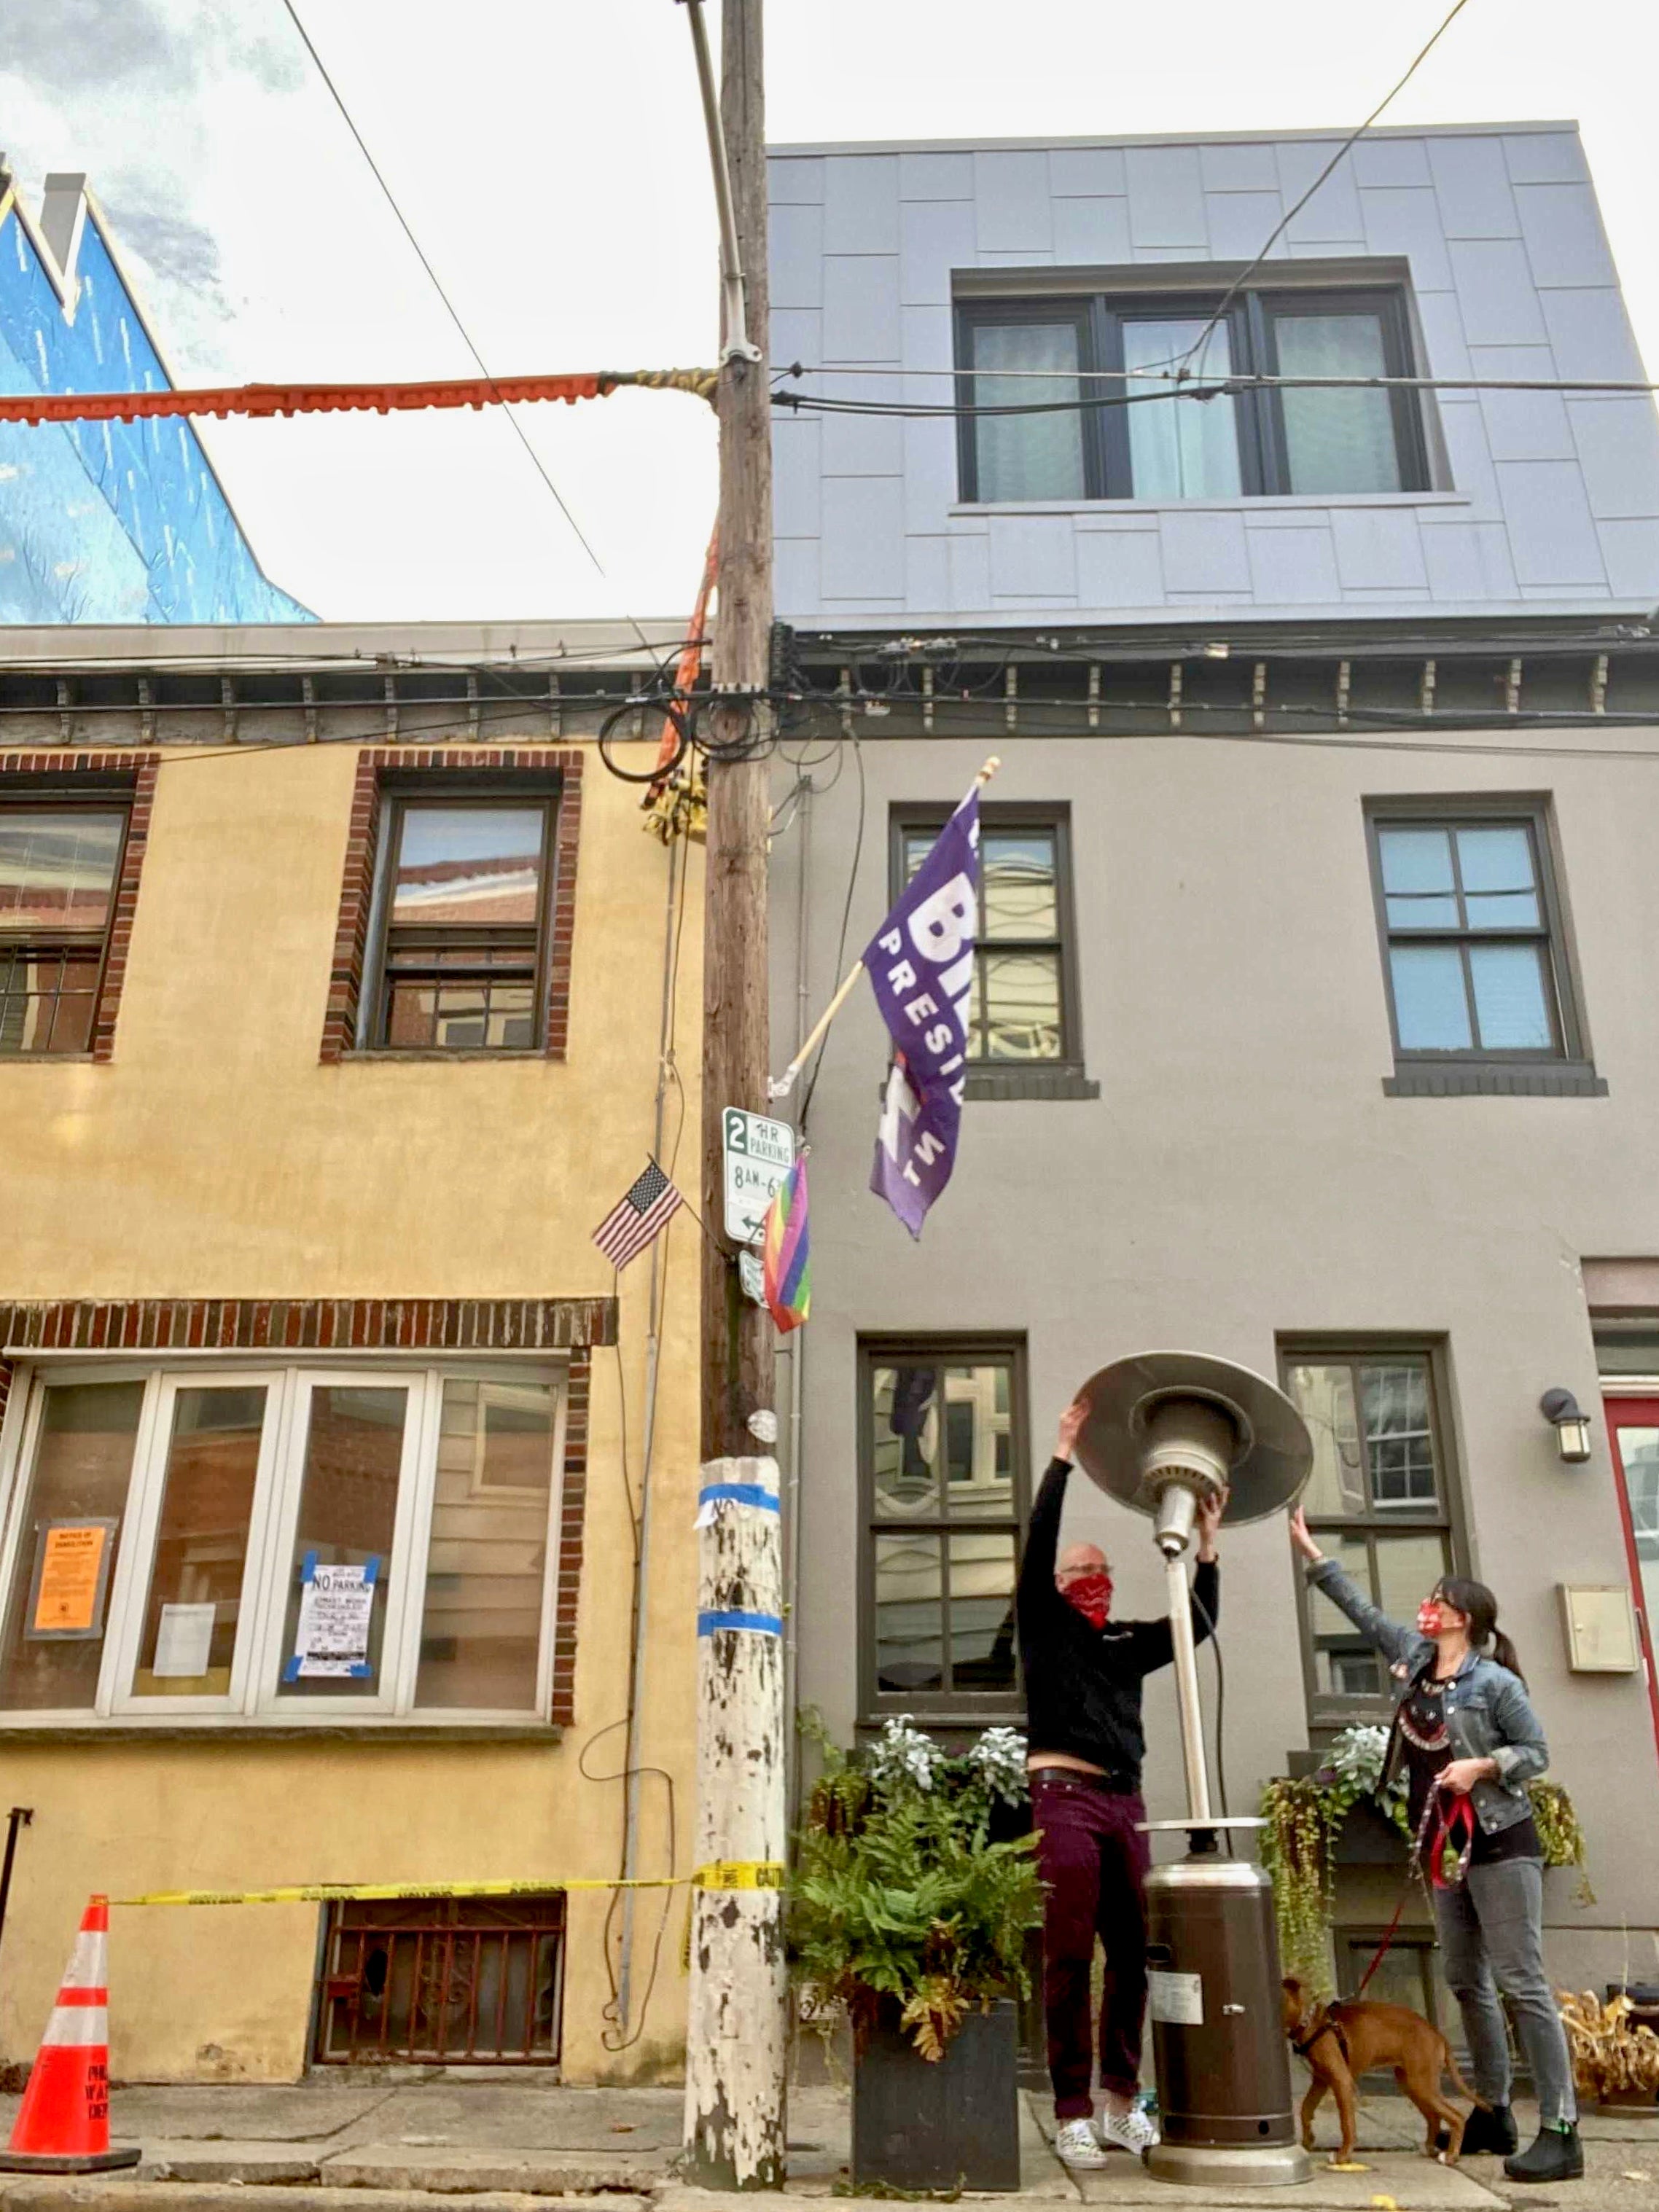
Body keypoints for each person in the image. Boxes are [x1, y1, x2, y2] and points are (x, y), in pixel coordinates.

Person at [1288, 1506, 1582, 2186]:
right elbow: (1361, 1610)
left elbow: (1535, 1751)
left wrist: (1482, 1766)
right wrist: (1310, 1550)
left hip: (1502, 1842)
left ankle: (1562, 2128)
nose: (1428, 1607)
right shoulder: (1416, 1661)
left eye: (1440, 1601)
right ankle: (1495, 2112)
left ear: (1466, 1617)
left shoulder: (1496, 1684)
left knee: (1522, 1983)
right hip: (1444, 1851)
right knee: (1465, 1981)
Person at [1018, 1393, 1225, 2169]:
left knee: (1136, 1949)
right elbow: (1037, 1547)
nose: (1093, 1577)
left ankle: (1116, 2098)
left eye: (1102, 1569)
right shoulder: (1045, 1622)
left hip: (1122, 1801)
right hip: (1062, 1797)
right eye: (1083, 1569)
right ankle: (1069, 2107)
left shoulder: (1123, 1641)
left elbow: (1195, 1625)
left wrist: (1207, 1545)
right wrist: (1063, 1453)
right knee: (1068, 1951)